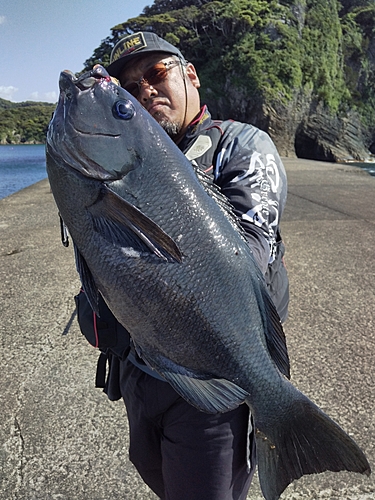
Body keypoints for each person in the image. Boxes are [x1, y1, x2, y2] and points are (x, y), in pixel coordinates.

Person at [75, 31, 289, 500]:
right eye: (129, 88)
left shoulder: (242, 145)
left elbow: (252, 254)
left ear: (189, 75)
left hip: (214, 385)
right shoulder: (124, 160)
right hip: (137, 369)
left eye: (155, 74)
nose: (145, 90)